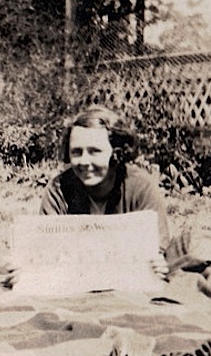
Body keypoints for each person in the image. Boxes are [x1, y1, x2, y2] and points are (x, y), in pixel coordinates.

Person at [39, 104, 170, 279]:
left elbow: (154, 251)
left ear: (116, 152)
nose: (84, 161)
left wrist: (157, 264)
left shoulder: (141, 187)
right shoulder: (59, 189)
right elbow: (46, 251)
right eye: (76, 152)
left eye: (94, 151)